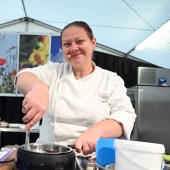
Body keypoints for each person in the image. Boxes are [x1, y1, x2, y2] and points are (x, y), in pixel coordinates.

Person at [15, 21, 136, 155]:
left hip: (91, 159)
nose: (73, 48)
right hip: (48, 155)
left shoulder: (111, 80)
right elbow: (23, 75)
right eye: (67, 44)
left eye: (79, 41)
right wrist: (38, 88)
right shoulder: (54, 71)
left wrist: (96, 131)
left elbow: (125, 116)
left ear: (93, 43)